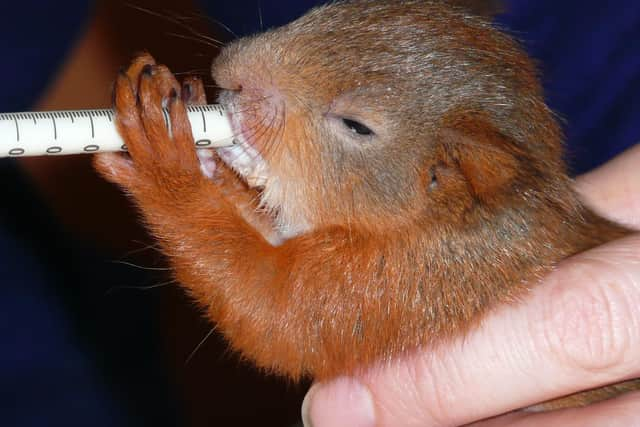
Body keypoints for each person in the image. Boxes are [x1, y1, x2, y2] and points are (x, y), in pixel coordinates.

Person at [202, 1, 640, 426]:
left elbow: (271, 311)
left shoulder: (417, 254)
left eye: (356, 124)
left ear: (445, 184)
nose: (227, 68)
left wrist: (175, 184)